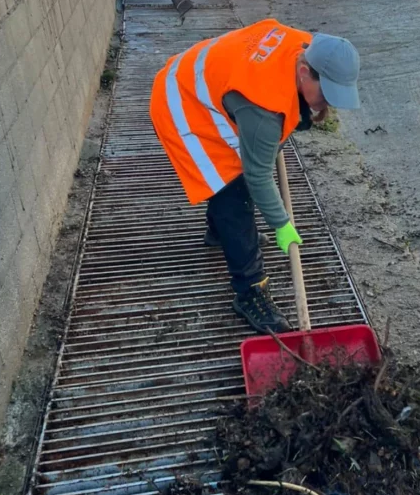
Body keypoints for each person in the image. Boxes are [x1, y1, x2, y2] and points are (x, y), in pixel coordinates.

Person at [150, 20, 360, 334]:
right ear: (304, 72)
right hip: (181, 104)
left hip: (206, 80)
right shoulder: (263, 107)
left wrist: (306, 109)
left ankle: (219, 232)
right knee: (233, 191)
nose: (328, 103)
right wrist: (281, 224)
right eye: (326, 94)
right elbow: (258, 175)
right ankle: (249, 291)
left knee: (245, 169)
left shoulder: (309, 46)